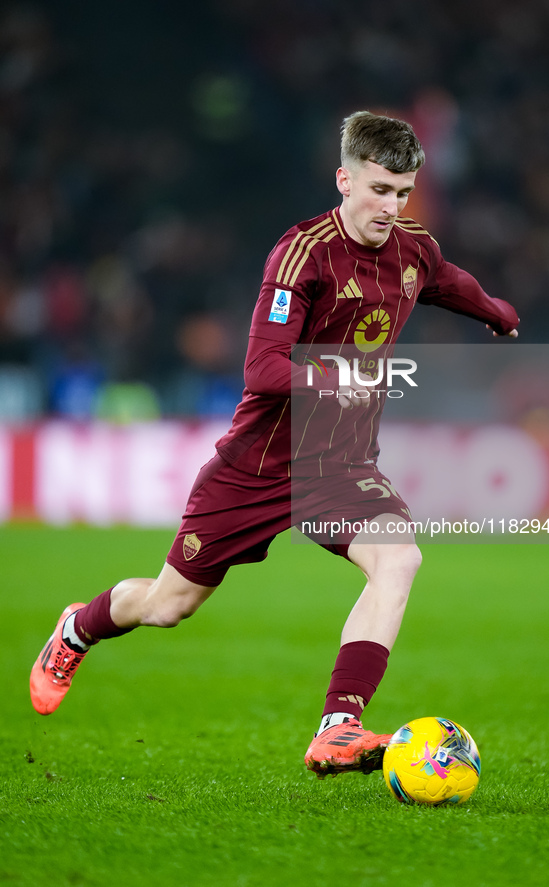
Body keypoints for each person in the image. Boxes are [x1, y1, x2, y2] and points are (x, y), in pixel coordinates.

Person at [30, 111, 519, 778]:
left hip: (338, 465)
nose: (390, 207)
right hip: (257, 466)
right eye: (378, 189)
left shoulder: (412, 248)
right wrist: (336, 373)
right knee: (168, 605)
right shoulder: (302, 254)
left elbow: (443, 281)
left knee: (399, 559)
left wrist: (492, 309)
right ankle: (77, 628)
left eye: (401, 192)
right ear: (344, 178)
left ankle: (337, 725)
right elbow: (262, 368)